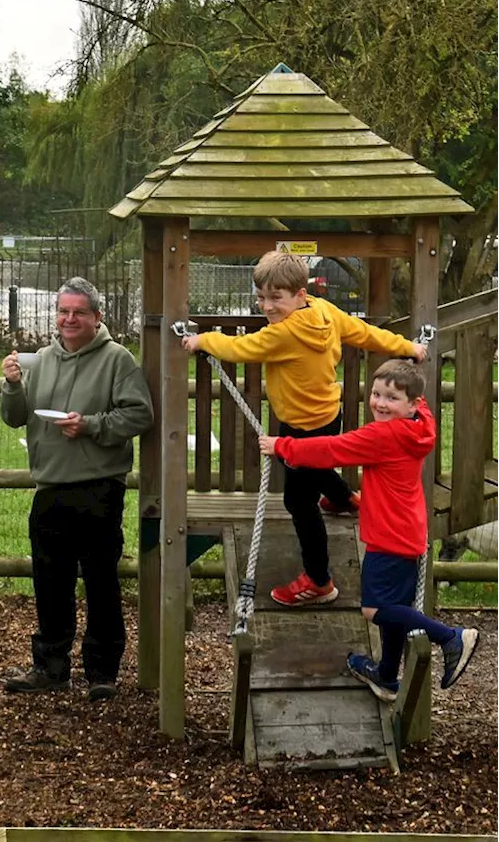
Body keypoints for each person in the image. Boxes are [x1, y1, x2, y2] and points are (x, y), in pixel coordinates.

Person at [183, 251, 427, 607]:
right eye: (261, 297)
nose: (266, 306)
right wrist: (408, 347)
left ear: (299, 294)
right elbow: (364, 332)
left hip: (302, 428)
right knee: (316, 468)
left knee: (298, 500)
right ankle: (344, 498)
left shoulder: (284, 334)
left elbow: (238, 348)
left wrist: (201, 340)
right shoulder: (324, 311)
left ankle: (319, 581)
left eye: (275, 298)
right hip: (328, 414)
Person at [259, 360, 480, 700]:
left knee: (373, 610)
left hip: (388, 535)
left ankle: (451, 637)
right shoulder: (420, 423)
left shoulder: (384, 435)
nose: (379, 403)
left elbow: (332, 449)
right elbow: (420, 401)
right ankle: (387, 676)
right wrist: (408, 373)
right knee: (394, 608)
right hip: (409, 529)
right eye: (376, 394)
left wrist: (282, 445)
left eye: (391, 398)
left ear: (409, 404)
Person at [0, 277, 153, 701]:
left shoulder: (117, 360)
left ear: (96, 317)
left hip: (99, 486)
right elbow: (14, 417)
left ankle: (102, 671)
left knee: (102, 582)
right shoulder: (41, 361)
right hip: (49, 486)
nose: (69, 319)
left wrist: (90, 426)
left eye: (78, 312)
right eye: (63, 312)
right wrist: (12, 384)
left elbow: (139, 415)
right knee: (50, 581)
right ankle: (50, 666)